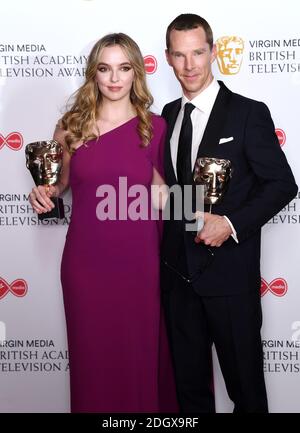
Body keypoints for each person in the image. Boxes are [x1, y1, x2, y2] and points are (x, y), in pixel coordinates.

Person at [29, 32, 177, 413]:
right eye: (105, 68)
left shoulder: (156, 127)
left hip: (140, 264)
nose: (114, 78)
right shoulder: (70, 128)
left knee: (139, 357)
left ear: (136, 74)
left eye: (124, 68)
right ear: (93, 73)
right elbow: (59, 186)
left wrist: (211, 208)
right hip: (86, 265)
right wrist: (43, 194)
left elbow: (166, 200)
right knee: (92, 362)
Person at [160, 13, 297, 413]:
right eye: (180, 55)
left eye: (198, 53)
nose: (190, 66)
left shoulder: (248, 112)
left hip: (230, 279)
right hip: (176, 280)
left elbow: (283, 185)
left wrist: (231, 223)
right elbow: (163, 195)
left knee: (247, 394)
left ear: (214, 52)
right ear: (168, 58)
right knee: (189, 396)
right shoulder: (163, 118)